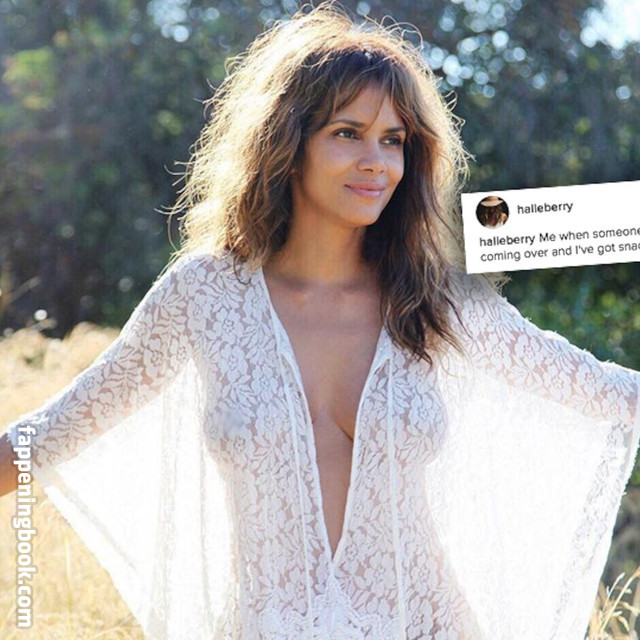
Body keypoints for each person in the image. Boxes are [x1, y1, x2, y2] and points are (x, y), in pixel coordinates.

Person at [1, 3, 639, 639]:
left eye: (394, 140)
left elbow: (606, 391)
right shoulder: (204, 295)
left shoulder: (435, 299)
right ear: (288, 141)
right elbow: (49, 434)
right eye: (347, 133)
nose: (376, 161)